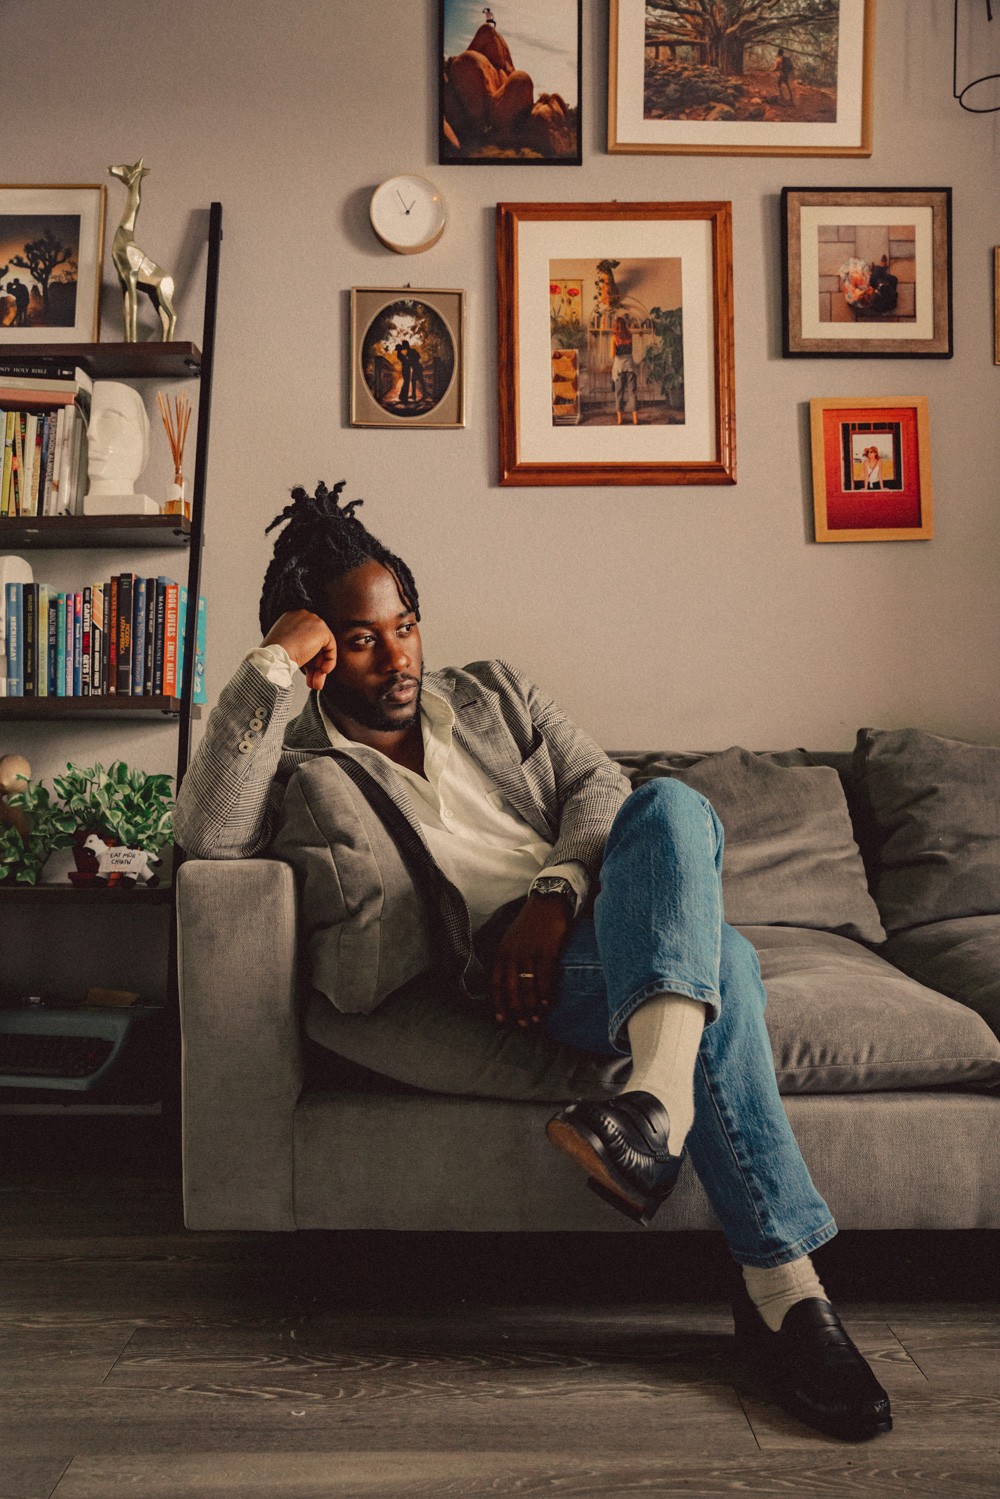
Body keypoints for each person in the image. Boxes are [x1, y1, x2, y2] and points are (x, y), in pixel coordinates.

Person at [175, 481, 892, 1445]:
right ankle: (787, 1295)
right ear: (313, 651)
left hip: (595, 922)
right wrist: (269, 667)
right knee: (720, 960)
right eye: (357, 637)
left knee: (672, 806)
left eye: (406, 624)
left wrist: (556, 894)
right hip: (505, 974)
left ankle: (658, 1113)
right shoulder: (299, 758)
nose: (396, 655)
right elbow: (209, 835)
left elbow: (602, 785)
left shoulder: (494, 693)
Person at [610, 315, 638, 426]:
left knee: (619, 394)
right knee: (632, 393)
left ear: (615, 326)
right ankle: (635, 419)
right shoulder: (630, 335)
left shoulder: (614, 338)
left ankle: (620, 420)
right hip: (630, 366)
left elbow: (612, 355)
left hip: (619, 369)